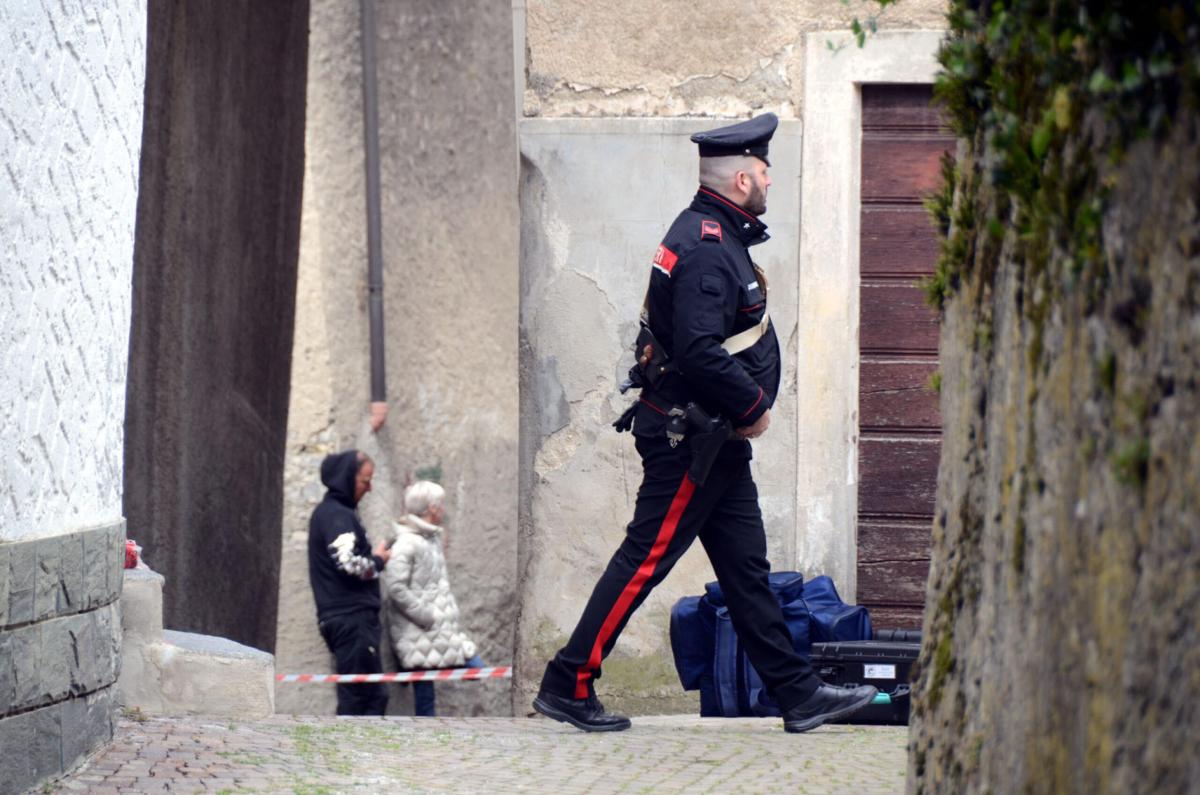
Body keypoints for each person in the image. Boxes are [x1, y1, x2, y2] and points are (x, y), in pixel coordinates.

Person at [532, 113, 878, 734]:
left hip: (713, 442)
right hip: (690, 440)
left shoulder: (714, 236)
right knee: (645, 560)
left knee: (746, 572)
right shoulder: (709, 248)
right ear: (742, 177)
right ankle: (568, 682)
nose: (771, 180)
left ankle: (797, 696)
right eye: (766, 171)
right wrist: (756, 409)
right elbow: (697, 348)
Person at [383, 480, 483, 716]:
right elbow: (396, 587)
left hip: (441, 630)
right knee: (424, 697)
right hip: (419, 630)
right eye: (441, 504)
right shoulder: (407, 542)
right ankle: (424, 745)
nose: (444, 509)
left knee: (476, 668)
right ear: (431, 508)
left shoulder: (431, 538)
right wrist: (426, 616)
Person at [308, 449, 392, 715]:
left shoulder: (336, 513)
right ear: (347, 478)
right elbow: (348, 563)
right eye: (365, 481)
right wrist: (378, 561)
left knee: (363, 695)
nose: (369, 489)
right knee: (364, 697)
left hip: (348, 619)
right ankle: (352, 753)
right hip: (351, 620)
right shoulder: (337, 514)